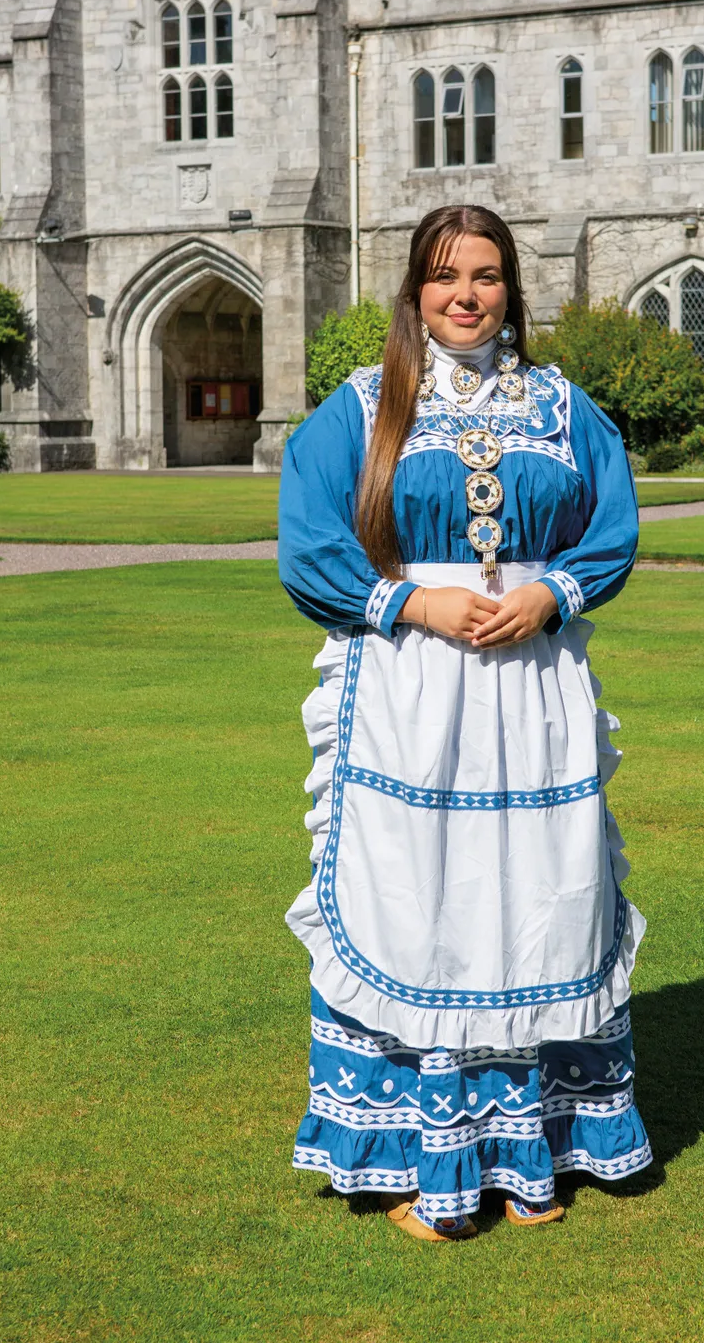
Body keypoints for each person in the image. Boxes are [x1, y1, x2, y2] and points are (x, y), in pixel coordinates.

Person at [278, 204, 650, 1241]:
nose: (466, 295)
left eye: (485, 276)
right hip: (409, 687)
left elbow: (611, 531)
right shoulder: (360, 409)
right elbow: (308, 546)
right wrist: (415, 602)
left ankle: (533, 1156)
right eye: (445, 276)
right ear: (414, 289)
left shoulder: (565, 407)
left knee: (537, 895)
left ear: (509, 290)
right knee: (427, 903)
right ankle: (425, 1156)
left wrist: (553, 594)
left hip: (531, 686)